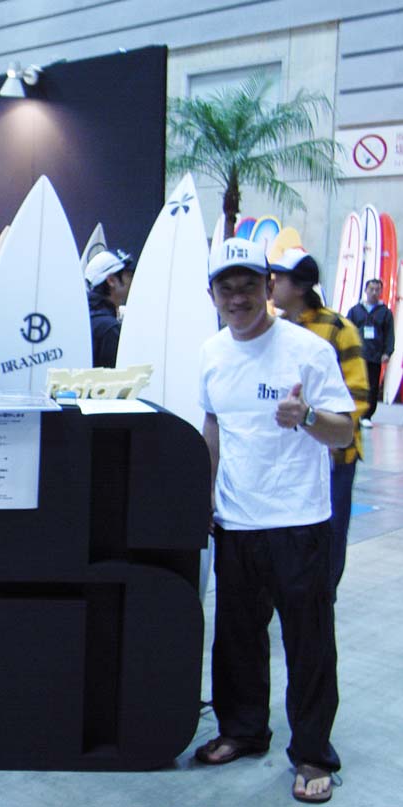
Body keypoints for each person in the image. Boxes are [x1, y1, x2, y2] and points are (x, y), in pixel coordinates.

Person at [195, 238, 354, 804]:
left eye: (248, 286)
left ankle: (312, 753)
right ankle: (243, 730)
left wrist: (306, 415)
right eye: (226, 288)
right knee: (236, 638)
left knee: (309, 643)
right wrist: (204, 496)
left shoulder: (308, 350)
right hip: (236, 521)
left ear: (268, 286)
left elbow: (345, 431)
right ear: (213, 295)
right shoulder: (212, 352)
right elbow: (215, 425)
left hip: (299, 520)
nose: (238, 298)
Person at [271, 248, 368, 593]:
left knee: (330, 533)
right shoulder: (275, 329)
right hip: (291, 454)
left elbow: (358, 397)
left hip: (334, 457)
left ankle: (323, 597)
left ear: (300, 286)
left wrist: (327, 431)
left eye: (279, 278)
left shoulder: (339, 329)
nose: (271, 284)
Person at [347, 278, 395, 427]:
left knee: (372, 387)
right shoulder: (355, 310)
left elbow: (389, 334)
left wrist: (387, 352)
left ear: (381, 292)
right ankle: (352, 413)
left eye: (377, 290)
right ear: (365, 290)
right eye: (371, 289)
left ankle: (366, 416)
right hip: (357, 356)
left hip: (375, 356)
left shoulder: (385, 313)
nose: (374, 292)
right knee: (354, 384)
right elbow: (347, 330)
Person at [85, 248, 134, 367]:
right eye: (128, 275)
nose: (133, 281)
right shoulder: (110, 329)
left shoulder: (81, 318)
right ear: (111, 280)